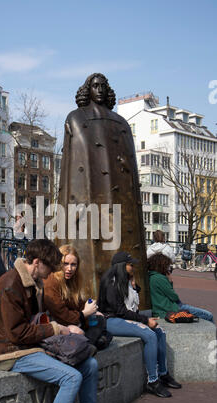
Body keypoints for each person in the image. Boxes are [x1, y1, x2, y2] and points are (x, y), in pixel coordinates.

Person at [0, 239, 100, 403]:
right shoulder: (11, 286)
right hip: (11, 353)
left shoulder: (31, 283)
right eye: (49, 268)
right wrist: (59, 329)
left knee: (90, 366)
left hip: (31, 346)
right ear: (37, 262)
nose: (50, 274)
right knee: (71, 377)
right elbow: (17, 333)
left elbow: (34, 321)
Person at [58, 73, 148, 308]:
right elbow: (74, 166)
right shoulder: (77, 118)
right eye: (95, 86)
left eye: (102, 86)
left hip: (119, 198)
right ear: (87, 90)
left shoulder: (121, 123)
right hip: (87, 197)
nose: (99, 90)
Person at [98, 251, 181, 398]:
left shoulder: (125, 279)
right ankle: (153, 380)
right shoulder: (111, 281)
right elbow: (120, 311)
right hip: (110, 320)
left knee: (160, 332)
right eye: (131, 265)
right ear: (122, 266)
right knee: (149, 334)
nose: (133, 268)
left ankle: (163, 373)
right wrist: (144, 320)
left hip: (122, 318)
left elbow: (132, 308)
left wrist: (134, 286)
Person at [148, 253, 214, 322]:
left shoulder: (152, 276)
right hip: (170, 309)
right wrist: (170, 281)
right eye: (167, 266)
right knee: (208, 315)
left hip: (163, 308)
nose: (168, 268)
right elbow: (174, 297)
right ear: (162, 266)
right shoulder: (159, 278)